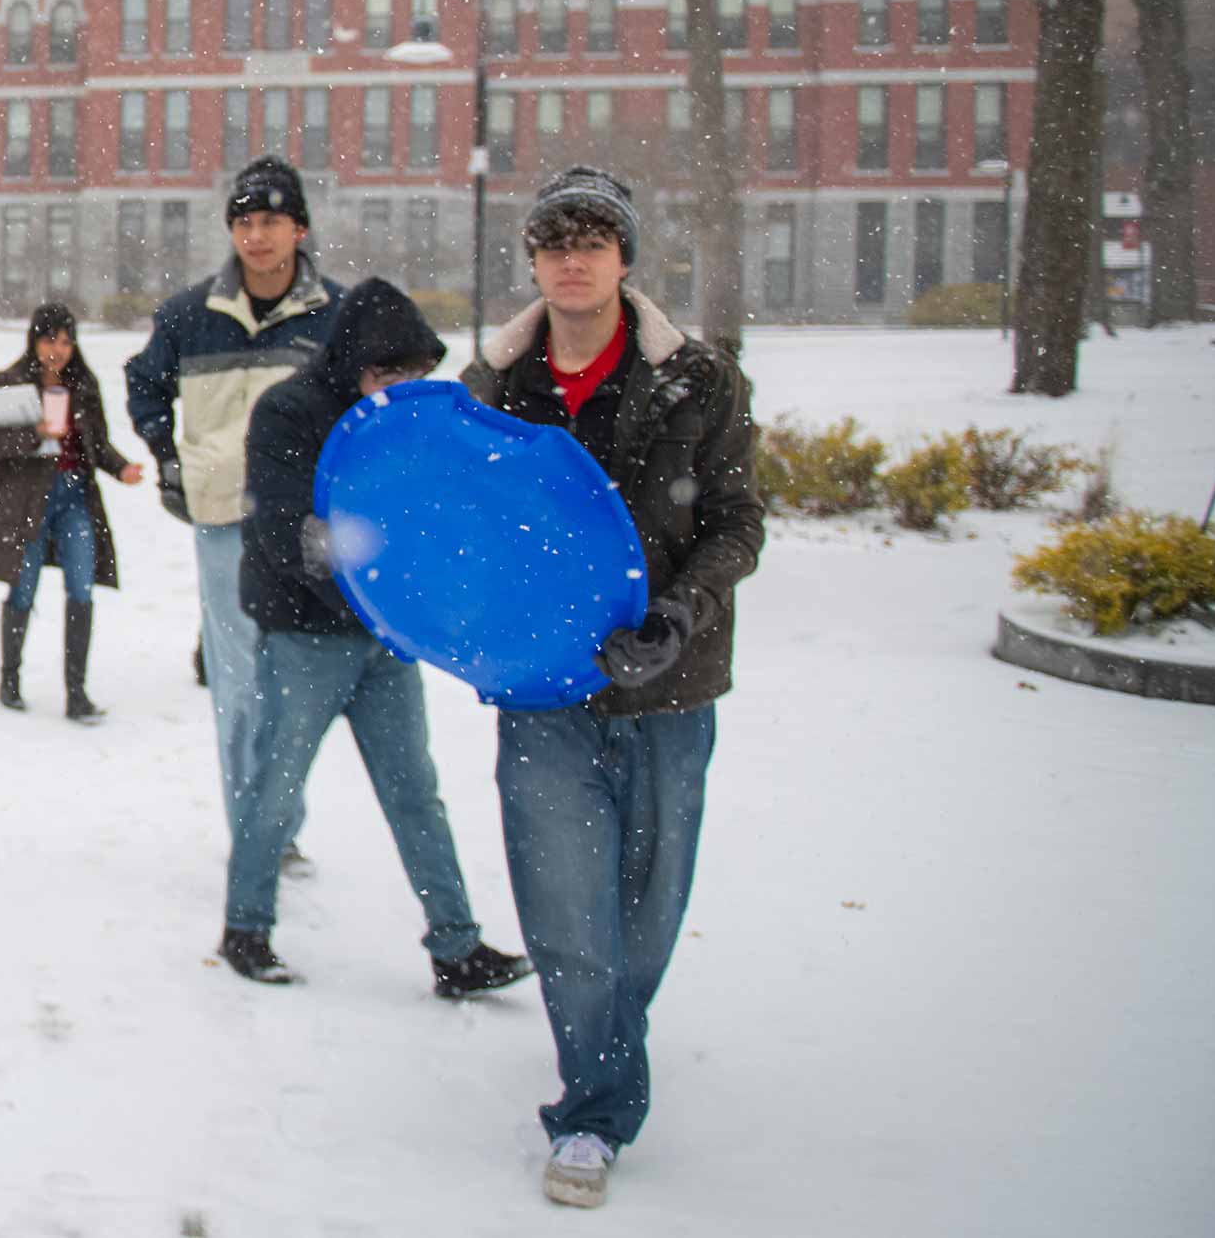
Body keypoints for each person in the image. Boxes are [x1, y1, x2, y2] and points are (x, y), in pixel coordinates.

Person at [460, 167, 762, 1210]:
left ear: (626, 258)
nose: (573, 258)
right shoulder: (493, 390)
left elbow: (735, 523)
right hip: (542, 692)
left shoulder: (699, 379)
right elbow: (464, 537)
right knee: (562, 908)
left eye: (593, 240)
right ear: (534, 261)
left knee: (645, 911)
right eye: (554, 241)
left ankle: (604, 1040)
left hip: (669, 691)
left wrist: (679, 617)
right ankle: (593, 1107)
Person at [219, 278, 533, 1000]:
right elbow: (287, 532)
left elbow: (436, 521)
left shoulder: (411, 422)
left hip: (385, 645)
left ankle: (456, 948)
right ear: (351, 360)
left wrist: (425, 604)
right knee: (275, 782)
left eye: (413, 372)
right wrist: (374, 595)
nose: (397, 387)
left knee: (415, 793)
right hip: (304, 638)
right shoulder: (289, 412)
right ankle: (246, 927)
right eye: (384, 371)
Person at [124, 156, 342, 862]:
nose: (256, 234)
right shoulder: (191, 315)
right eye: (244, 221)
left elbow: (365, 408)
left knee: (297, 678)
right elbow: (143, 384)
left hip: (307, 526)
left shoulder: (333, 318)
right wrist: (168, 457)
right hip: (222, 521)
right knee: (240, 678)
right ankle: (259, 829)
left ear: (299, 228)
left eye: (271, 220)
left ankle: (281, 813)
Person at [0, 302, 145, 720]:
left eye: (66, 341)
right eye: (50, 339)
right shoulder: (9, 382)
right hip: (26, 503)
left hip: (74, 499)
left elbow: (96, 444)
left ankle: (76, 692)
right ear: (34, 339)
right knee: (23, 588)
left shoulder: (83, 385)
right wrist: (33, 434)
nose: (58, 350)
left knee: (81, 589)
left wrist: (121, 468)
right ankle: (10, 679)